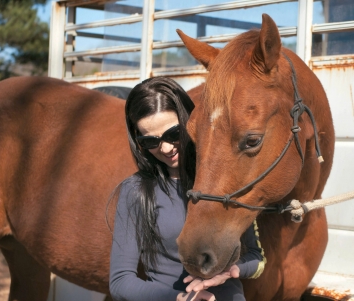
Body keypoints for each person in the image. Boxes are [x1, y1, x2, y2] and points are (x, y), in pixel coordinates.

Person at [109, 77, 265, 301]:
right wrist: (178, 298)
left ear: (188, 120)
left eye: (172, 134)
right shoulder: (135, 190)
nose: (164, 148)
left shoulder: (225, 178)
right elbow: (120, 281)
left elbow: (256, 257)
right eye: (150, 142)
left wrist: (231, 271)